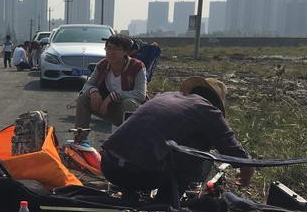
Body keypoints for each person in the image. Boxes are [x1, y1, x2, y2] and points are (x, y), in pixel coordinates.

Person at [99, 76, 255, 202]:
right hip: (139, 174)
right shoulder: (208, 111)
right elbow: (231, 148)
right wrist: (247, 169)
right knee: (199, 145)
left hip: (108, 164)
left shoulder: (166, 96)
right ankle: (166, 202)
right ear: (216, 102)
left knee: (147, 142)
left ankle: (129, 193)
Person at [75, 34, 147, 128]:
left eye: (116, 49)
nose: (111, 52)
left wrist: (113, 96)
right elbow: (87, 86)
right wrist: (94, 91)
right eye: (108, 48)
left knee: (128, 103)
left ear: (125, 52)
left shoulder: (137, 66)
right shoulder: (102, 65)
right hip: (108, 109)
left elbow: (140, 94)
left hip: (134, 114)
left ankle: (128, 140)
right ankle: (80, 138)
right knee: (83, 98)